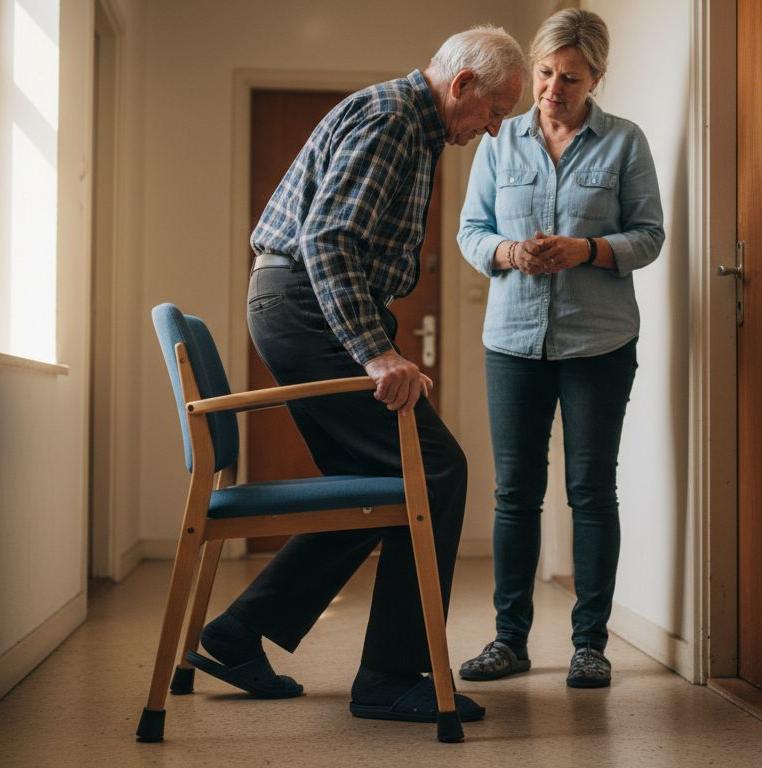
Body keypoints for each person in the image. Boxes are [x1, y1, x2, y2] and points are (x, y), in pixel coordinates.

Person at [186, 26, 526, 724]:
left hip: (296, 305)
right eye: (494, 112)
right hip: (303, 305)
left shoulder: (412, 126)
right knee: (437, 470)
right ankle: (391, 676)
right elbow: (329, 239)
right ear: (462, 84)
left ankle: (238, 632)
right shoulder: (394, 120)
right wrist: (376, 353)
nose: (493, 130)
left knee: (380, 485)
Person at [455, 9, 665, 689]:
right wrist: (509, 252)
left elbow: (650, 235)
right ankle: (508, 641)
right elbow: (470, 231)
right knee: (515, 493)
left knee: (591, 491)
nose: (552, 89)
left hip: (599, 343)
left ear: (596, 78)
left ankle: (589, 646)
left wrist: (588, 249)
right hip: (512, 342)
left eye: (569, 78)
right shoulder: (499, 143)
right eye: (545, 73)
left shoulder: (625, 143)